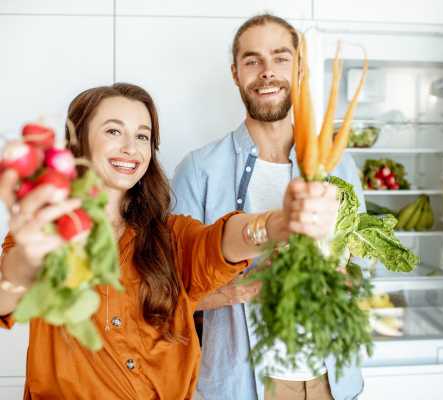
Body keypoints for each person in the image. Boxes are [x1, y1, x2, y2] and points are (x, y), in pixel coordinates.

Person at [0, 83, 340, 400]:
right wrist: (30, 257)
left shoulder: (172, 236)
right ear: (79, 142)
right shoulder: (43, 231)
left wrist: (273, 224)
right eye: (113, 131)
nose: (130, 148)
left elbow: (220, 241)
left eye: (143, 136)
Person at [172, 14, 366, 400]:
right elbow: (169, 289)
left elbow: (361, 265)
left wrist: (339, 275)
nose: (267, 72)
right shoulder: (200, 170)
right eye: (252, 60)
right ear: (235, 73)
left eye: (280, 58)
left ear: (299, 68)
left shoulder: (338, 165)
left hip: (330, 382)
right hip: (241, 386)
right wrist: (243, 289)